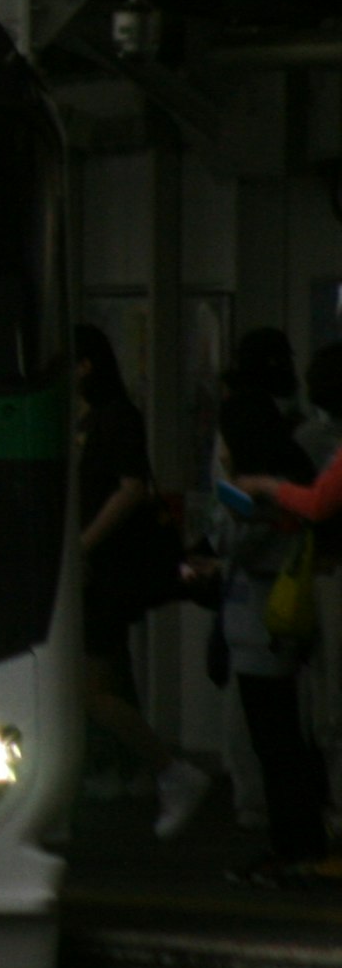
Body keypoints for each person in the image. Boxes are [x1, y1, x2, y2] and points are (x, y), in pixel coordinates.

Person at [214, 327, 332, 876]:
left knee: (272, 733)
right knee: (287, 731)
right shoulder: (294, 447)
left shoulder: (257, 467)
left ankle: (293, 843)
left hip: (263, 603)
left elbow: (246, 527)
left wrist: (222, 549)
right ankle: (299, 838)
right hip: (287, 600)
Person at [73, 327, 195, 834]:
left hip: (107, 572)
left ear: (85, 367)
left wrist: (83, 544)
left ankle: (169, 770)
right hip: (104, 572)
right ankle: (146, 772)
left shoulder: (113, 419)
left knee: (90, 691)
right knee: (108, 678)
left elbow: (131, 489)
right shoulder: (99, 419)